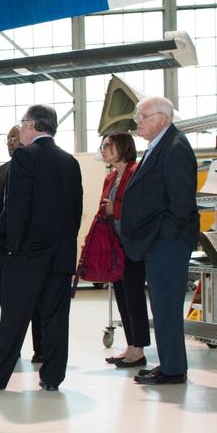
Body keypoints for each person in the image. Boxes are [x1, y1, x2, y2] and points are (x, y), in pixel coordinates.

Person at [0, 105, 82, 392]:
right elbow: (75, 213)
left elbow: (17, 208)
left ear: (32, 126)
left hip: (27, 256)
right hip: (61, 256)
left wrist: (8, 250)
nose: (21, 128)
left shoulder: (25, 157)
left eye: (22, 123)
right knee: (55, 319)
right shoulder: (69, 162)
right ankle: (52, 377)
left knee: (13, 320)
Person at [120, 96, 198, 386]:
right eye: (137, 117)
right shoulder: (160, 146)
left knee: (166, 305)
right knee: (162, 305)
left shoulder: (175, 147)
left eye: (144, 116)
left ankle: (173, 369)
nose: (137, 122)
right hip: (160, 241)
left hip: (169, 241)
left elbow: (181, 201)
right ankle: (169, 363)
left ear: (163, 117)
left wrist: (163, 236)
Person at [0, 124, 43, 363]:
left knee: (36, 301)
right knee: (7, 302)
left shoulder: (36, 168)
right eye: (7, 137)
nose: (10, 141)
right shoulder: (0, 171)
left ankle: (41, 349)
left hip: (29, 247)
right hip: (3, 248)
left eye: (15, 137)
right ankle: (9, 349)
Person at [94, 132, 150, 368]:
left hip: (133, 243)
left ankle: (139, 349)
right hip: (116, 244)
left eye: (108, 146)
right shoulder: (111, 178)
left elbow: (139, 207)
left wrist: (113, 209)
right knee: (122, 295)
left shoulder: (136, 172)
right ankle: (131, 345)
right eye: (103, 145)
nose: (104, 150)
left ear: (122, 147)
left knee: (134, 295)